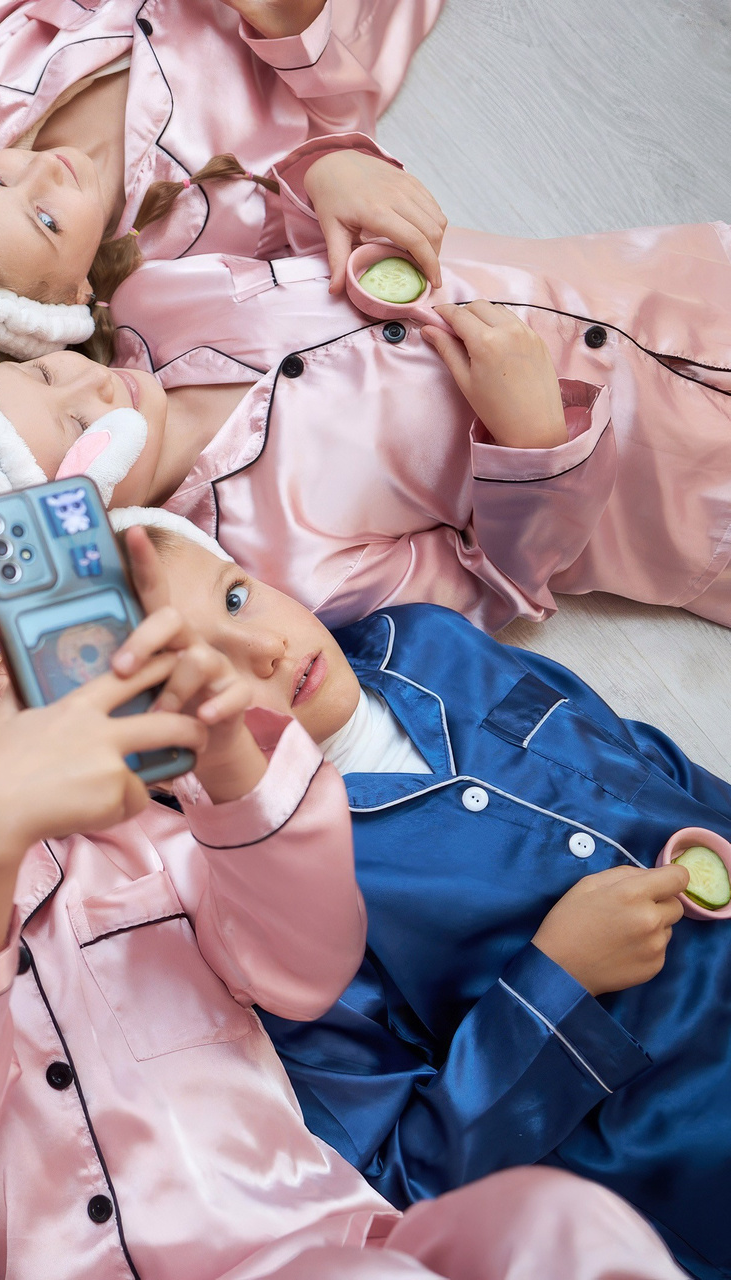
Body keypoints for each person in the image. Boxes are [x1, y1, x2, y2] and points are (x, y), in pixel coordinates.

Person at [0, 480, 688, 1280]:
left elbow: (301, 969)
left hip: (306, 1246)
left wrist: (228, 757)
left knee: (560, 1224)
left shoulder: (146, 835)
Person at [120, 504, 731, 1279]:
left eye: (235, 598)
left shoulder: (427, 641)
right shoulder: (279, 935)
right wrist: (556, 984)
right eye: (205, 678)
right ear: (160, 771)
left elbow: (638, 756)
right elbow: (403, 1182)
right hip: (693, 1145)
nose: (267, 649)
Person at [0, 215, 731, 631]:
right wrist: (533, 440)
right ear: (78, 530)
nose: (94, 388)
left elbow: (289, 219)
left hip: (666, 280)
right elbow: (497, 585)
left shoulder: (162, 295)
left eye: (47, 373)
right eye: (75, 428)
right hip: (693, 492)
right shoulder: (281, 568)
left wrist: (333, 176)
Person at [0, 0, 446, 361]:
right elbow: (336, 115)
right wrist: (294, 30)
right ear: (77, 293)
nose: (41, 168)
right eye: (46, 220)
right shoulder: (200, 229)